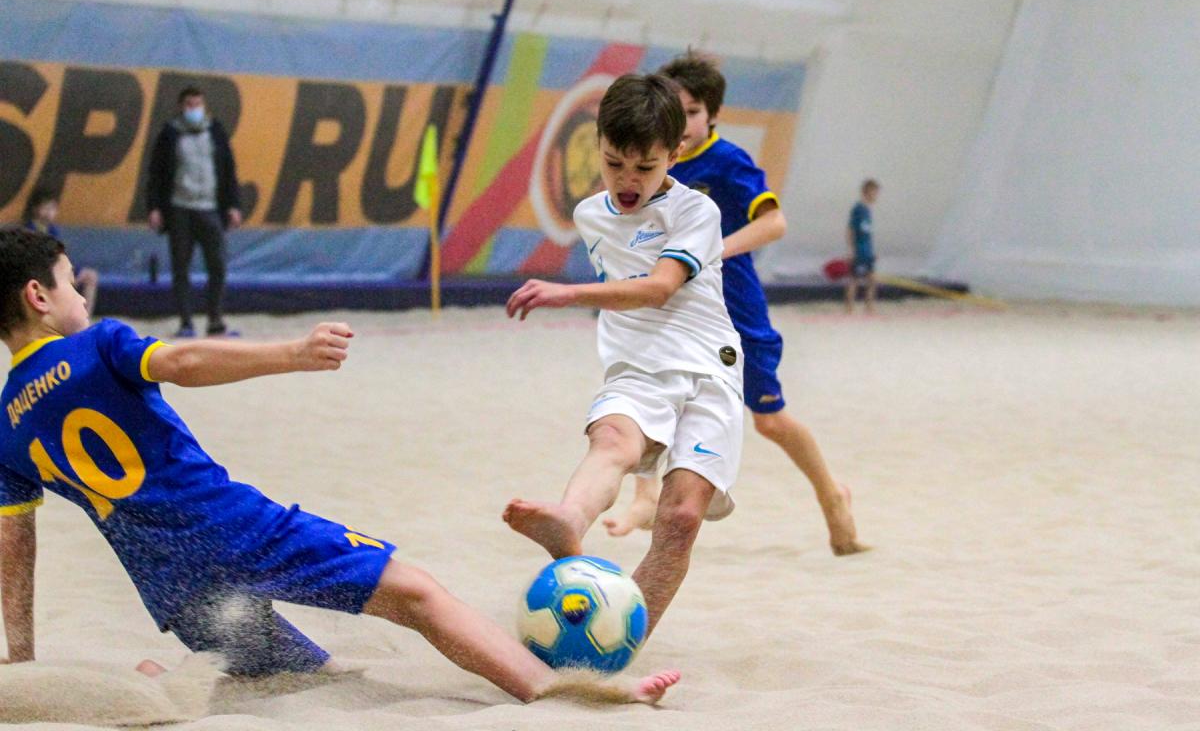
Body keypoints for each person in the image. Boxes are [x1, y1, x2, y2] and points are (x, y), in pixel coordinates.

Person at [0, 226, 678, 706]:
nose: (81, 296)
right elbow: (180, 361)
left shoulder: (6, 424)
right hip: (235, 528)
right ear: (38, 296)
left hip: (169, 582)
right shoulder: (99, 344)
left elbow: (15, 546)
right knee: (418, 596)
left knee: (304, 675)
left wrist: (23, 661)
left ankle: (160, 679)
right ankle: (547, 687)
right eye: (70, 283)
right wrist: (291, 353)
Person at [502, 73, 744, 639]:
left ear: (674, 155)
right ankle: (568, 520)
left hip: (709, 369)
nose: (628, 180)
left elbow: (659, 288)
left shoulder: (696, 213)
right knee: (612, 440)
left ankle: (622, 639)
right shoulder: (590, 214)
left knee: (680, 517)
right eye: (614, 163)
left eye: (645, 167)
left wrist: (566, 294)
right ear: (599, 145)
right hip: (637, 367)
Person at [602, 54, 867, 556]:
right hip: (677, 307)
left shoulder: (727, 162)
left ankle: (832, 494)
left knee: (769, 420)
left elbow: (774, 224)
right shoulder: (652, 161)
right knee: (654, 393)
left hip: (735, 307)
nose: (684, 122)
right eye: (676, 111)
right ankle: (644, 497)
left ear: (713, 114)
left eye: (693, 111)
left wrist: (710, 250)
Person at [145, 86, 242, 338]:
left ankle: (215, 321)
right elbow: (156, 174)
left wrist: (233, 205)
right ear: (181, 106)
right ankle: (186, 322)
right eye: (189, 104)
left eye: (198, 104)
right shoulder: (170, 134)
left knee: (218, 266)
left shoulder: (215, 131)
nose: (194, 109)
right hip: (180, 209)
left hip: (210, 209)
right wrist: (154, 207)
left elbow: (228, 170)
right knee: (181, 268)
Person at [21, 188, 99, 317]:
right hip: (42, 272)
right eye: (45, 208)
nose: (49, 212)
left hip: (57, 269)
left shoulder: (52, 230)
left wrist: (68, 270)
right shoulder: (29, 230)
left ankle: (85, 317)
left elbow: (59, 254)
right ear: (35, 209)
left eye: (52, 208)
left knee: (91, 276)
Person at [846, 179, 880, 314]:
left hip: (867, 251)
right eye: (874, 193)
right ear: (867, 192)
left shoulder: (867, 210)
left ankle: (869, 308)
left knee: (872, 280)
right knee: (854, 280)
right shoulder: (858, 209)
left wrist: (872, 251)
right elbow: (850, 230)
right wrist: (851, 250)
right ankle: (849, 309)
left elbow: (867, 234)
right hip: (859, 250)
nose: (876, 196)